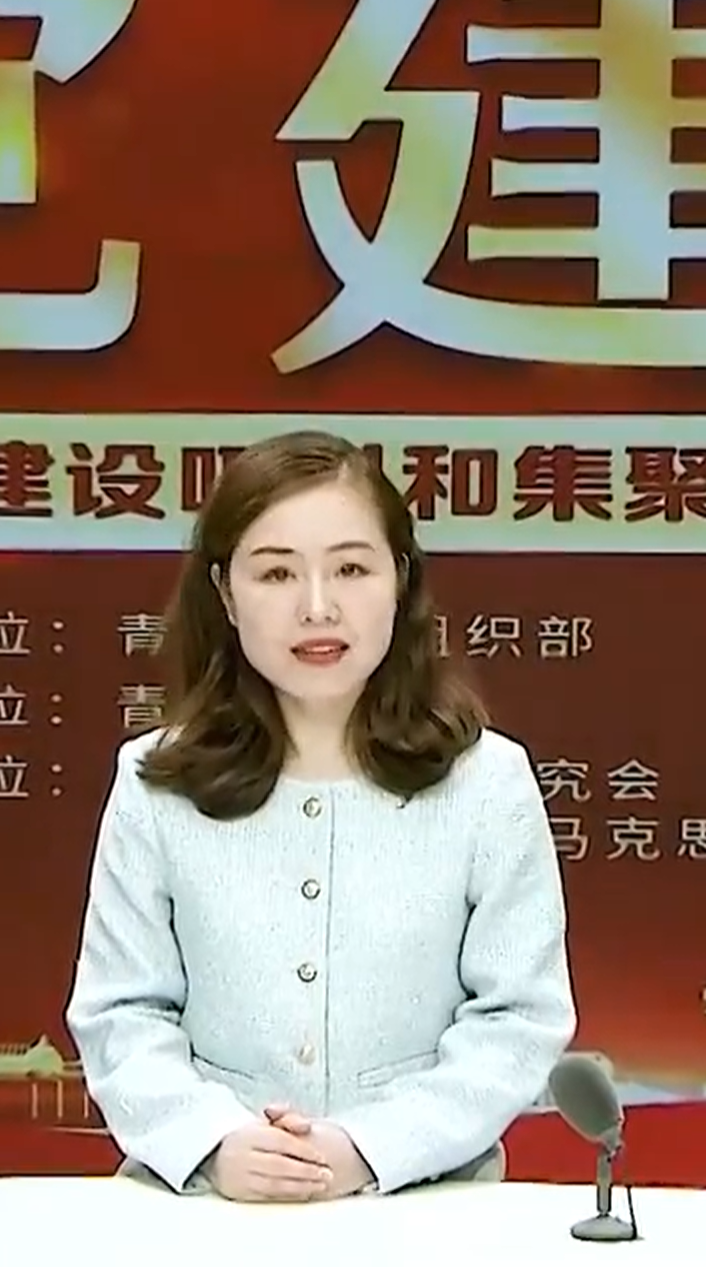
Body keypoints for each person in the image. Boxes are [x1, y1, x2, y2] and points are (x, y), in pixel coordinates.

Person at [64, 429, 580, 1203]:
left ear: (401, 579)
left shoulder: (487, 783)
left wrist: (368, 1149)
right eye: (276, 573)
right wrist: (215, 1143)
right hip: (206, 1204)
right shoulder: (154, 784)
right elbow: (120, 1013)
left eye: (351, 568)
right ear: (226, 593)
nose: (317, 607)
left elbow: (519, 1018)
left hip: (428, 1201)